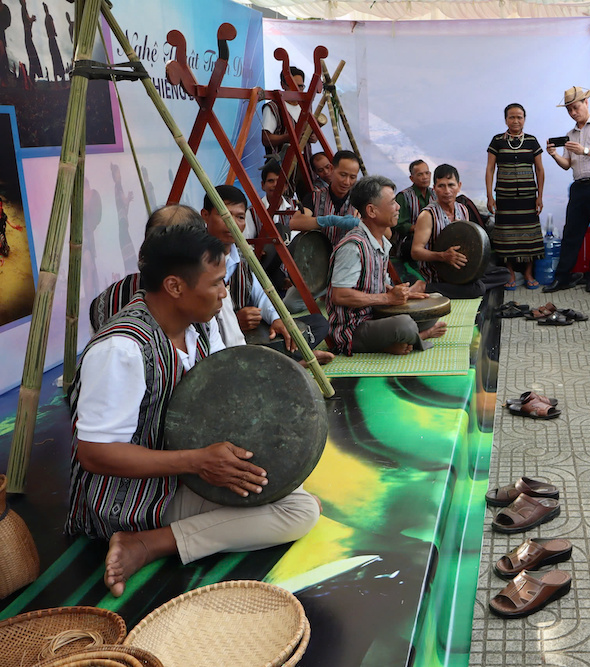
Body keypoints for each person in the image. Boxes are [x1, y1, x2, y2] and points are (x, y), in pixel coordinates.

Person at [66, 223, 321, 597]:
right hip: (127, 495)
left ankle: (161, 536)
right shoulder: (121, 349)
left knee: (294, 496)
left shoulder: (199, 326)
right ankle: (148, 543)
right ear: (175, 286)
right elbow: (94, 453)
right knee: (299, 512)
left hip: (181, 474)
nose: (224, 293)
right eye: (216, 282)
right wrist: (198, 462)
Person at [327, 175, 446, 355]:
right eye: (392, 203)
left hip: (376, 316)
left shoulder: (381, 241)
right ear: (372, 211)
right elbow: (340, 295)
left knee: (431, 309)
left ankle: (402, 340)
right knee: (404, 324)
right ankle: (420, 336)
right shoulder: (353, 246)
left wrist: (401, 294)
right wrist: (388, 299)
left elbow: (376, 285)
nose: (398, 207)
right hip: (352, 329)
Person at [544, 86, 590, 293]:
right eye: (569, 110)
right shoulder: (570, 134)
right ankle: (563, 276)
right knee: (571, 232)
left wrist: (585, 150)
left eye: (576, 107)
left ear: (586, 103)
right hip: (579, 186)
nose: (573, 113)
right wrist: (554, 155)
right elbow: (567, 164)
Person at [200, 186, 294, 349]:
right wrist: (234, 320)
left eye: (240, 217)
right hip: (215, 343)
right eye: (225, 216)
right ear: (205, 216)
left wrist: (276, 319)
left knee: (315, 325)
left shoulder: (243, 255)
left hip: (247, 336)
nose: (233, 224)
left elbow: (261, 295)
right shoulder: (197, 260)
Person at [486, 103, 545, 290]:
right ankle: (510, 272)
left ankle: (528, 273)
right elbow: (490, 169)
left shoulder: (531, 141)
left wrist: (540, 196)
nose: (516, 120)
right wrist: (489, 196)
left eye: (519, 117)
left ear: (524, 119)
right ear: (506, 120)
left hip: (529, 198)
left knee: (530, 236)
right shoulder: (497, 141)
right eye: (512, 117)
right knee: (506, 236)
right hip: (505, 197)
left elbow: (540, 170)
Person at [411, 164, 493, 299]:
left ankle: (456, 288)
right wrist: (442, 256)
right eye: (441, 186)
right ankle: (425, 287)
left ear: (459, 186)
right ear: (434, 189)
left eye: (451, 185)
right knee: (477, 289)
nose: (447, 191)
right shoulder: (427, 215)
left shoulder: (462, 209)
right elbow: (415, 252)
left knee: (502, 273)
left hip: (459, 271)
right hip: (439, 274)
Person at [296, 150, 361, 247]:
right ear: (332, 169)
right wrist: (329, 220)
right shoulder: (314, 197)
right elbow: (295, 223)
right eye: (343, 175)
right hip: (318, 258)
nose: (347, 182)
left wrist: (364, 221)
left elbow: (387, 233)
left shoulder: (361, 200)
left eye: (352, 177)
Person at [261, 66, 316, 157]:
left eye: (300, 86)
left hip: (305, 161)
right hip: (281, 164)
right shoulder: (273, 107)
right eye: (293, 86)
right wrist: (288, 137)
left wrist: (313, 137)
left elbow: (312, 134)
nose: (297, 90)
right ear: (283, 85)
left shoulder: (306, 107)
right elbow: (266, 139)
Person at [393, 159, 436, 253]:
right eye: (420, 174)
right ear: (412, 178)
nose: (425, 177)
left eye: (427, 173)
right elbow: (399, 224)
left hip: (433, 241)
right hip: (409, 242)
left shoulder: (435, 194)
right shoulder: (404, 196)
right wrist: (420, 229)